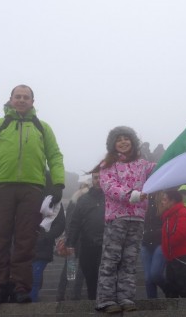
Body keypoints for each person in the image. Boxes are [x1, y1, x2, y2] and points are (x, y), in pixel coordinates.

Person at [0, 84, 65, 305]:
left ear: (33, 102)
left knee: (26, 240)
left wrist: (59, 184)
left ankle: (21, 288)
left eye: (26, 97)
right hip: (2, 189)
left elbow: (55, 156)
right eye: (18, 96)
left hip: (32, 189)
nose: (22, 100)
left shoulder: (42, 127)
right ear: (11, 99)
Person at [95, 126, 155, 313]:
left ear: (132, 141)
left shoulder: (143, 164)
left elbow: (163, 170)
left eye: (126, 138)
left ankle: (126, 297)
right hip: (116, 219)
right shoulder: (107, 164)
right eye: (118, 139)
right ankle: (106, 299)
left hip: (137, 219)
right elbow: (109, 186)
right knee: (111, 259)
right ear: (113, 144)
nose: (122, 142)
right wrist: (131, 195)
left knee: (129, 260)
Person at [65, 169, 105, 300]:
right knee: (90, 278)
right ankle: (93, 303)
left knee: (105, 279)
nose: (98, 180)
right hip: (87, 245)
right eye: (95, 178)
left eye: (100, 177)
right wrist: (70, 242)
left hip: (107, 246)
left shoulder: (111, 197)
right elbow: (75, 222)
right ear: (92, 180)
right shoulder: (83, 200)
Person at [31, 179, 66, 302]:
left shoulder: (54, 201)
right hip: (24, 244)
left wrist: (46, 236)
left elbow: (61, 223)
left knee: (34, 277)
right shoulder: (26, 197)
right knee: (28, 278)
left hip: (42, 247)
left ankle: (32, 305)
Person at [161, 189, 186, 298]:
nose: (162, 202)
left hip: (185, 257)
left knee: (183, 289)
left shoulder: (182, 212)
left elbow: (181, 234)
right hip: (173, 257)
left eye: (165, 199)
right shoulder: (169, 215)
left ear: (172, 201)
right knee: (171, 290)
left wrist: (167, 244)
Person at [141, 191, 167, 298]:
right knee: (148, 279)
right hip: (146, 242)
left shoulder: (164, 200)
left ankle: (170, 289)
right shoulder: (143, 200)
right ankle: (152, 306)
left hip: (160, 242)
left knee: (155, 274)